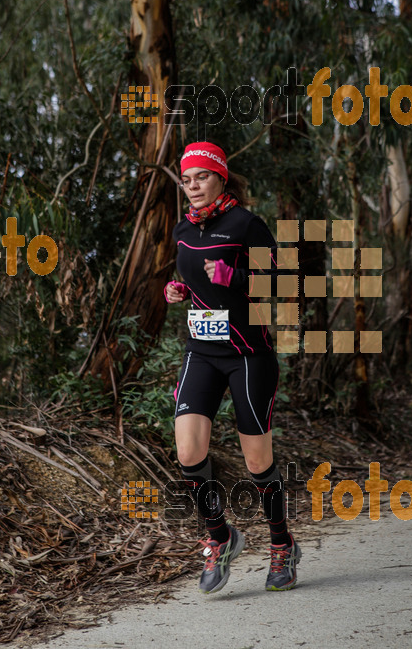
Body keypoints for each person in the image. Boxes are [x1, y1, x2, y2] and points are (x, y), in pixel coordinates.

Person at [164, 140, 301, 594]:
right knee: (188, 452)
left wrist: (235, 278)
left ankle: (282, 544)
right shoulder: (184, 228)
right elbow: (192, 278)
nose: (193, 187)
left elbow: (283, 278)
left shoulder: (246, 223)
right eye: (186, 180)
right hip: (201, 350)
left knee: (257, 458)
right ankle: (221, 538)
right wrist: (179, 291)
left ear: (220, 177)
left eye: (201, 177)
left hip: (248, 353)